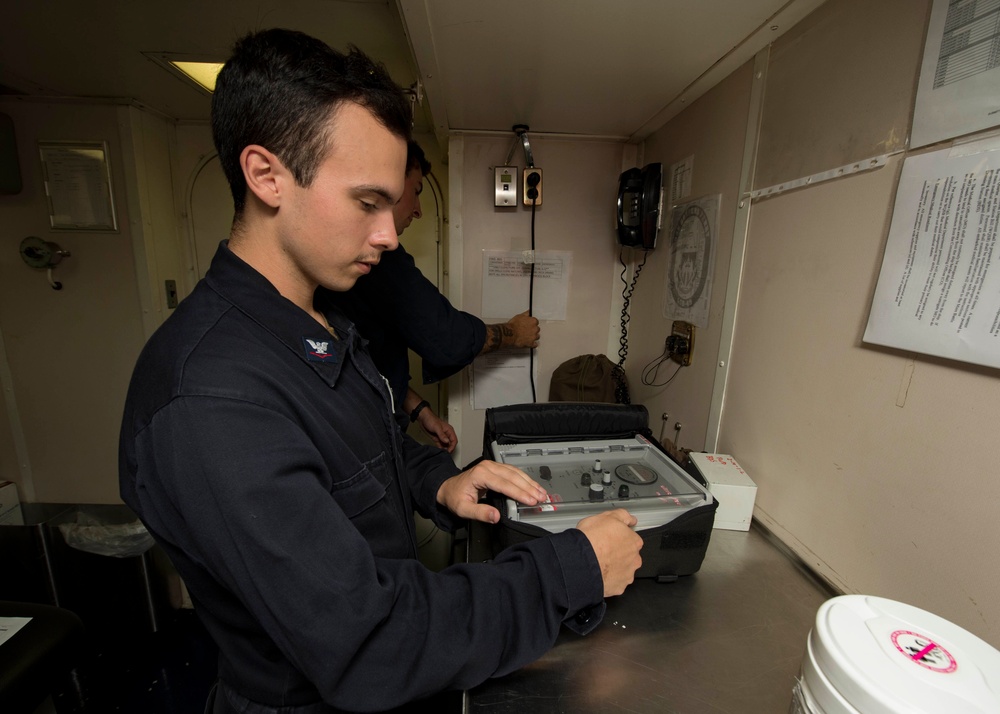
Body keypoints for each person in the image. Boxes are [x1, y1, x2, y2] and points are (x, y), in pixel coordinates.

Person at [118, 28, 642, 714]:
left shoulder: (319, 321)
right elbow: (365, 639)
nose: (390, 233)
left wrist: (441, 481)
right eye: (367, 202)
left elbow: (365, 449)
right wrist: (567, 572)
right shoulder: (211, 398)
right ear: (267, 175)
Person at [331, 141, 539, 453]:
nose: (417, 210)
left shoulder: (355, 256)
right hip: (363, 438)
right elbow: (446, 338)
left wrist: (419, 410)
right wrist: (512, 333)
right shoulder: (379, 255)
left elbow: (369, 360)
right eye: (416, 191)